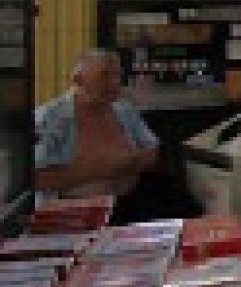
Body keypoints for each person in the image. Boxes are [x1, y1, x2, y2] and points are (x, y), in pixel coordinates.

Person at [32, 50, 162, 219]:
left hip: (130, 206)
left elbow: (152, 149)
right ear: (78, 80)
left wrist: (129, 162)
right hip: (73, 214)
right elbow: (36, 177)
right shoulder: (49, 118)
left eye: (117, 75)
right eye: (105, 76)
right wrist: (105, 167)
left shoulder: (123, 109)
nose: (115, 82)